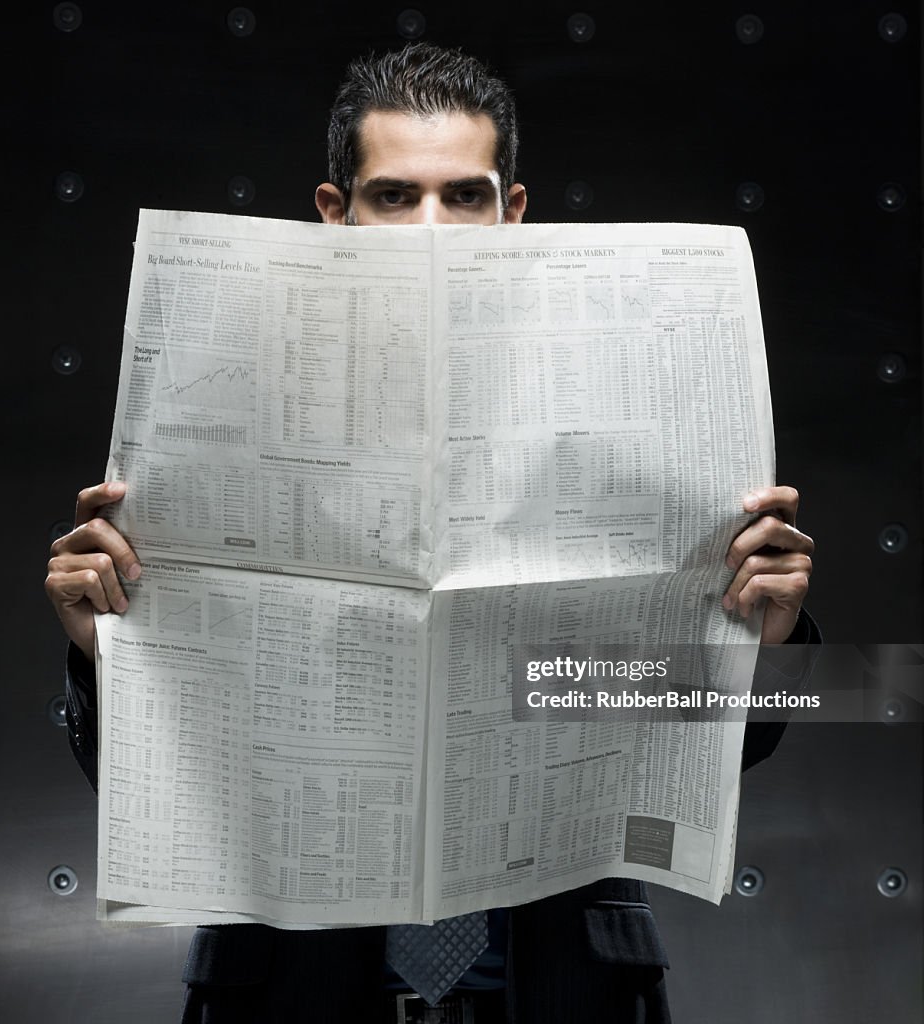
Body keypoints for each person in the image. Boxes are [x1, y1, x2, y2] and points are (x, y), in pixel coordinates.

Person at [46, 43, 818, 1024]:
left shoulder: (629, 431)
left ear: (513, 213)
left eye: (464, 197)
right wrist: (104, 655)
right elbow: (157, 773)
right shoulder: (208, 423)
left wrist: (769, 642)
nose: (432, 233)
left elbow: (708, 748)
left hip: (564, 993)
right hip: (291, 996)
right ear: (335, 215)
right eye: (394, 197)